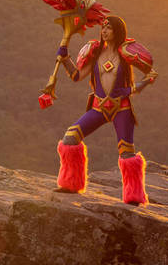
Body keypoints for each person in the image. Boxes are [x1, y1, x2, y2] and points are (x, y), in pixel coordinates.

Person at [54, 15, 158, 205]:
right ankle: (71, 183)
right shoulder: (94, 53)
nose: (104, 31)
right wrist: (65, 58)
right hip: (98, 107)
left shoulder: (125, 54)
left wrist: (147, 80)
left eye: (109, 28)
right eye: (103, 27)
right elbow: (77, 75)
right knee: (70, 138)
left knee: (126, 152)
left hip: (122, 108)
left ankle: (134, 195)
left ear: (117, 31)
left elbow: (144, 74)